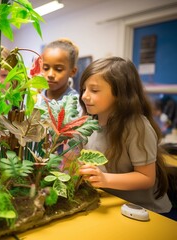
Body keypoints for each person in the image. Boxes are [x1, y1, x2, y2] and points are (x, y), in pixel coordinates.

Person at [78, 56, 172, 214]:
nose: (84, 96)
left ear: (119, 94)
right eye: (83, 89)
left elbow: (146, 178)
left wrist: (105, 179)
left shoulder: (136, 126)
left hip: (146, 212)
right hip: (109, 204)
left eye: (94, 90)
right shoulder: (87, 123)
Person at [35, 38, 80, 109]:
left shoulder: (76, 103)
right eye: (46, 68)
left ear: (72, 72)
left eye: (58, 69)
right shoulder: (36, 98)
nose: (50, 74)